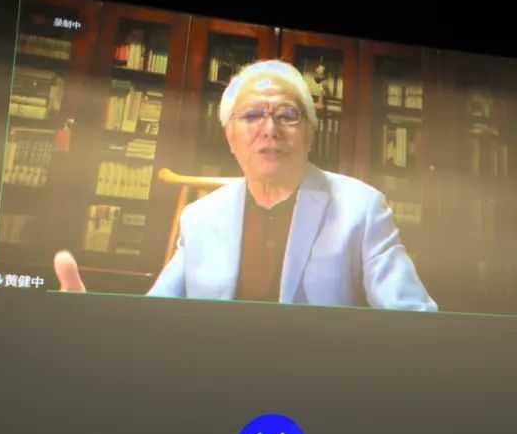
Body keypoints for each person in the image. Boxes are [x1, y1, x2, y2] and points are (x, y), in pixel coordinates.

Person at [53, 59, 436, 310]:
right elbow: (154, 321)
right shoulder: (200, 218)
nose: (270, 129)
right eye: (252, 115)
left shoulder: (361, 209)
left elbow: (413, 320)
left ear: (310, 134)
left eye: (288, 114)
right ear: (230, 137)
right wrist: (100, 326)